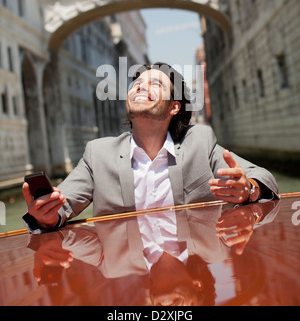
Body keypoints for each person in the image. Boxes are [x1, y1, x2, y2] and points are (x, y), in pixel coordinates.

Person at [22, 63, 279, 232]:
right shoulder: (97, 154)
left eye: (155, 84)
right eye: (136, 85)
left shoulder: (201, 141)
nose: (140, 87)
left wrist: (249, 190)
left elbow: (264, 179)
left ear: (174, 107)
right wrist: (46, 215)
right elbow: (60, 209)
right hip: (129, 283)